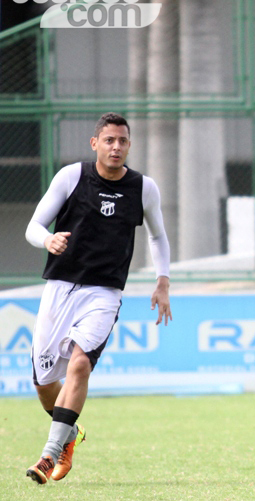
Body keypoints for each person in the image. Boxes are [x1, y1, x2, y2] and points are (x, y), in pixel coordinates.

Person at [24, 112, 172, 484]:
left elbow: (157, 236)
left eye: (122, 141)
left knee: (79, 366)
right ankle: (70, 433)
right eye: (109, 140)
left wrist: (163, 280)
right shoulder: (72, 176)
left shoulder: (143, 187)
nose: (116, 147)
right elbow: (34, 225)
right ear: (95, 144)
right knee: (44, 384)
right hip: (59, 288)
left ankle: (49, 454)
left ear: (129, 145)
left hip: (104, 293)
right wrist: (47, 240)